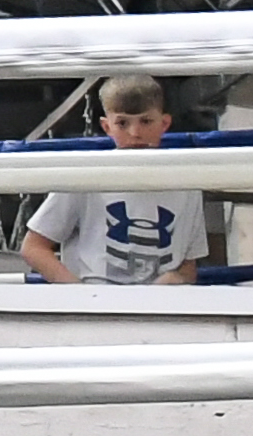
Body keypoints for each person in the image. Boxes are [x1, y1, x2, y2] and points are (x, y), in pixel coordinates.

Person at [22, 75, 201, 285]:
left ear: (164, 123)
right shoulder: (85, 177)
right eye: (123, 123)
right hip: (96, 309)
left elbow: (189, 266)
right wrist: (83, 297)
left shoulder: (187, 183)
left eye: (145, 121)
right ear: (107, 127)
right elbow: (33, 247)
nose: (135, 133)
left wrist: (175, 279)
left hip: (158, 311)